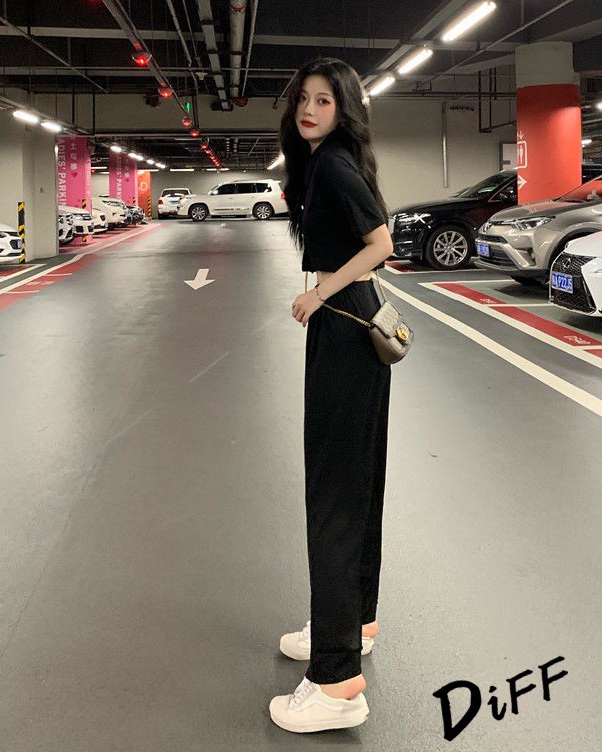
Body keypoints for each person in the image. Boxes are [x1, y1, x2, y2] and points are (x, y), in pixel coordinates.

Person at [268, 57, 395, 733]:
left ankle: (337, 682)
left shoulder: (335, 166)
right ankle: (352, 624)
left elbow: (382, 243)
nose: (309, 109)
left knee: (334, 494)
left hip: (344, 324)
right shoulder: (325, 164)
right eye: (304, 99)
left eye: (324, 100)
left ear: (344, 109)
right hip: (353, 327)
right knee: (356, 485)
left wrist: (320, 292)